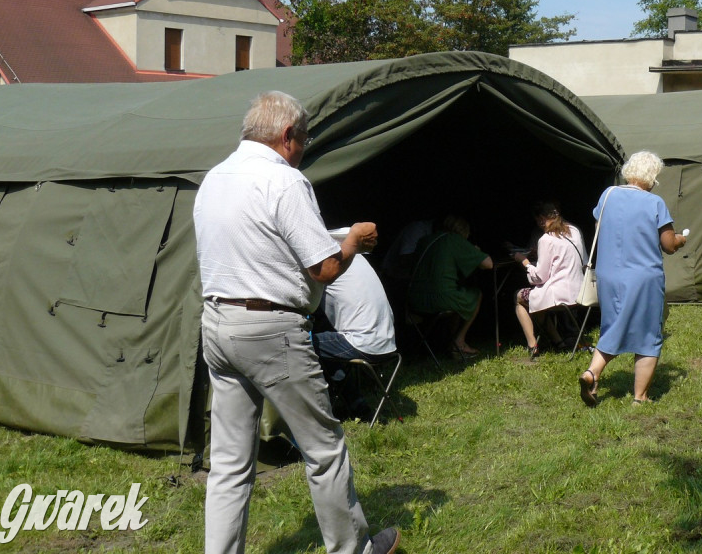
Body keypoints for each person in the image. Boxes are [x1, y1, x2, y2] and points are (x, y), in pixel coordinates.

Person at [194, 91, 400, 554]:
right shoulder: (284, 182)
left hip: (217, 321)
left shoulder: (214, 178)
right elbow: (324, 268)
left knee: (228, 464)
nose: (302, 151)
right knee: (324, 450)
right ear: (288, 136)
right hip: (271, 330)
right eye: (304, 142)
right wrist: (354, 242)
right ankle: (354, 550)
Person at [578, 150, 686, 407]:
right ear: (651, 178)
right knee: (649, 334)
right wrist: (681, 238)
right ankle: (640, 398)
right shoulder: (654, 203)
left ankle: (591, 374)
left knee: (614, 326)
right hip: (642, 277)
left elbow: (600, 229)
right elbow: (669, 245)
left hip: (609, 274)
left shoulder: (608, 195)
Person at [312, 252, 398, 421]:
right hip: (387, 342)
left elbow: (304, 303)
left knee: (296, 343)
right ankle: (356, 405)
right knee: (324, 343)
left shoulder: (325, 264)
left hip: (362, 344)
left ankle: (315, 413)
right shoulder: (357, 257)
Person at [407, 214, 493, 358]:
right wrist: (474, 251)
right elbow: (488, 264)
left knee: (458, 294)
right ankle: (458, 342)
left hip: (414, 300)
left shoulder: (425, 240)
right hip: (441, 299)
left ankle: (443, 343)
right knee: (475, 295)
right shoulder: (454, 239)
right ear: (464, 231)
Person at [512, 201, 587, 357]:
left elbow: (539, 277)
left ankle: (532, 345)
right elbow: (584, 262)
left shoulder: (546, 239)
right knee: (536, 300)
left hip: (560, 296)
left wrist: (524, 262)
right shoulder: (574, 230)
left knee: (519, 297)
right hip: (580, 292)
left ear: (540, 219)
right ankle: (558, 342)